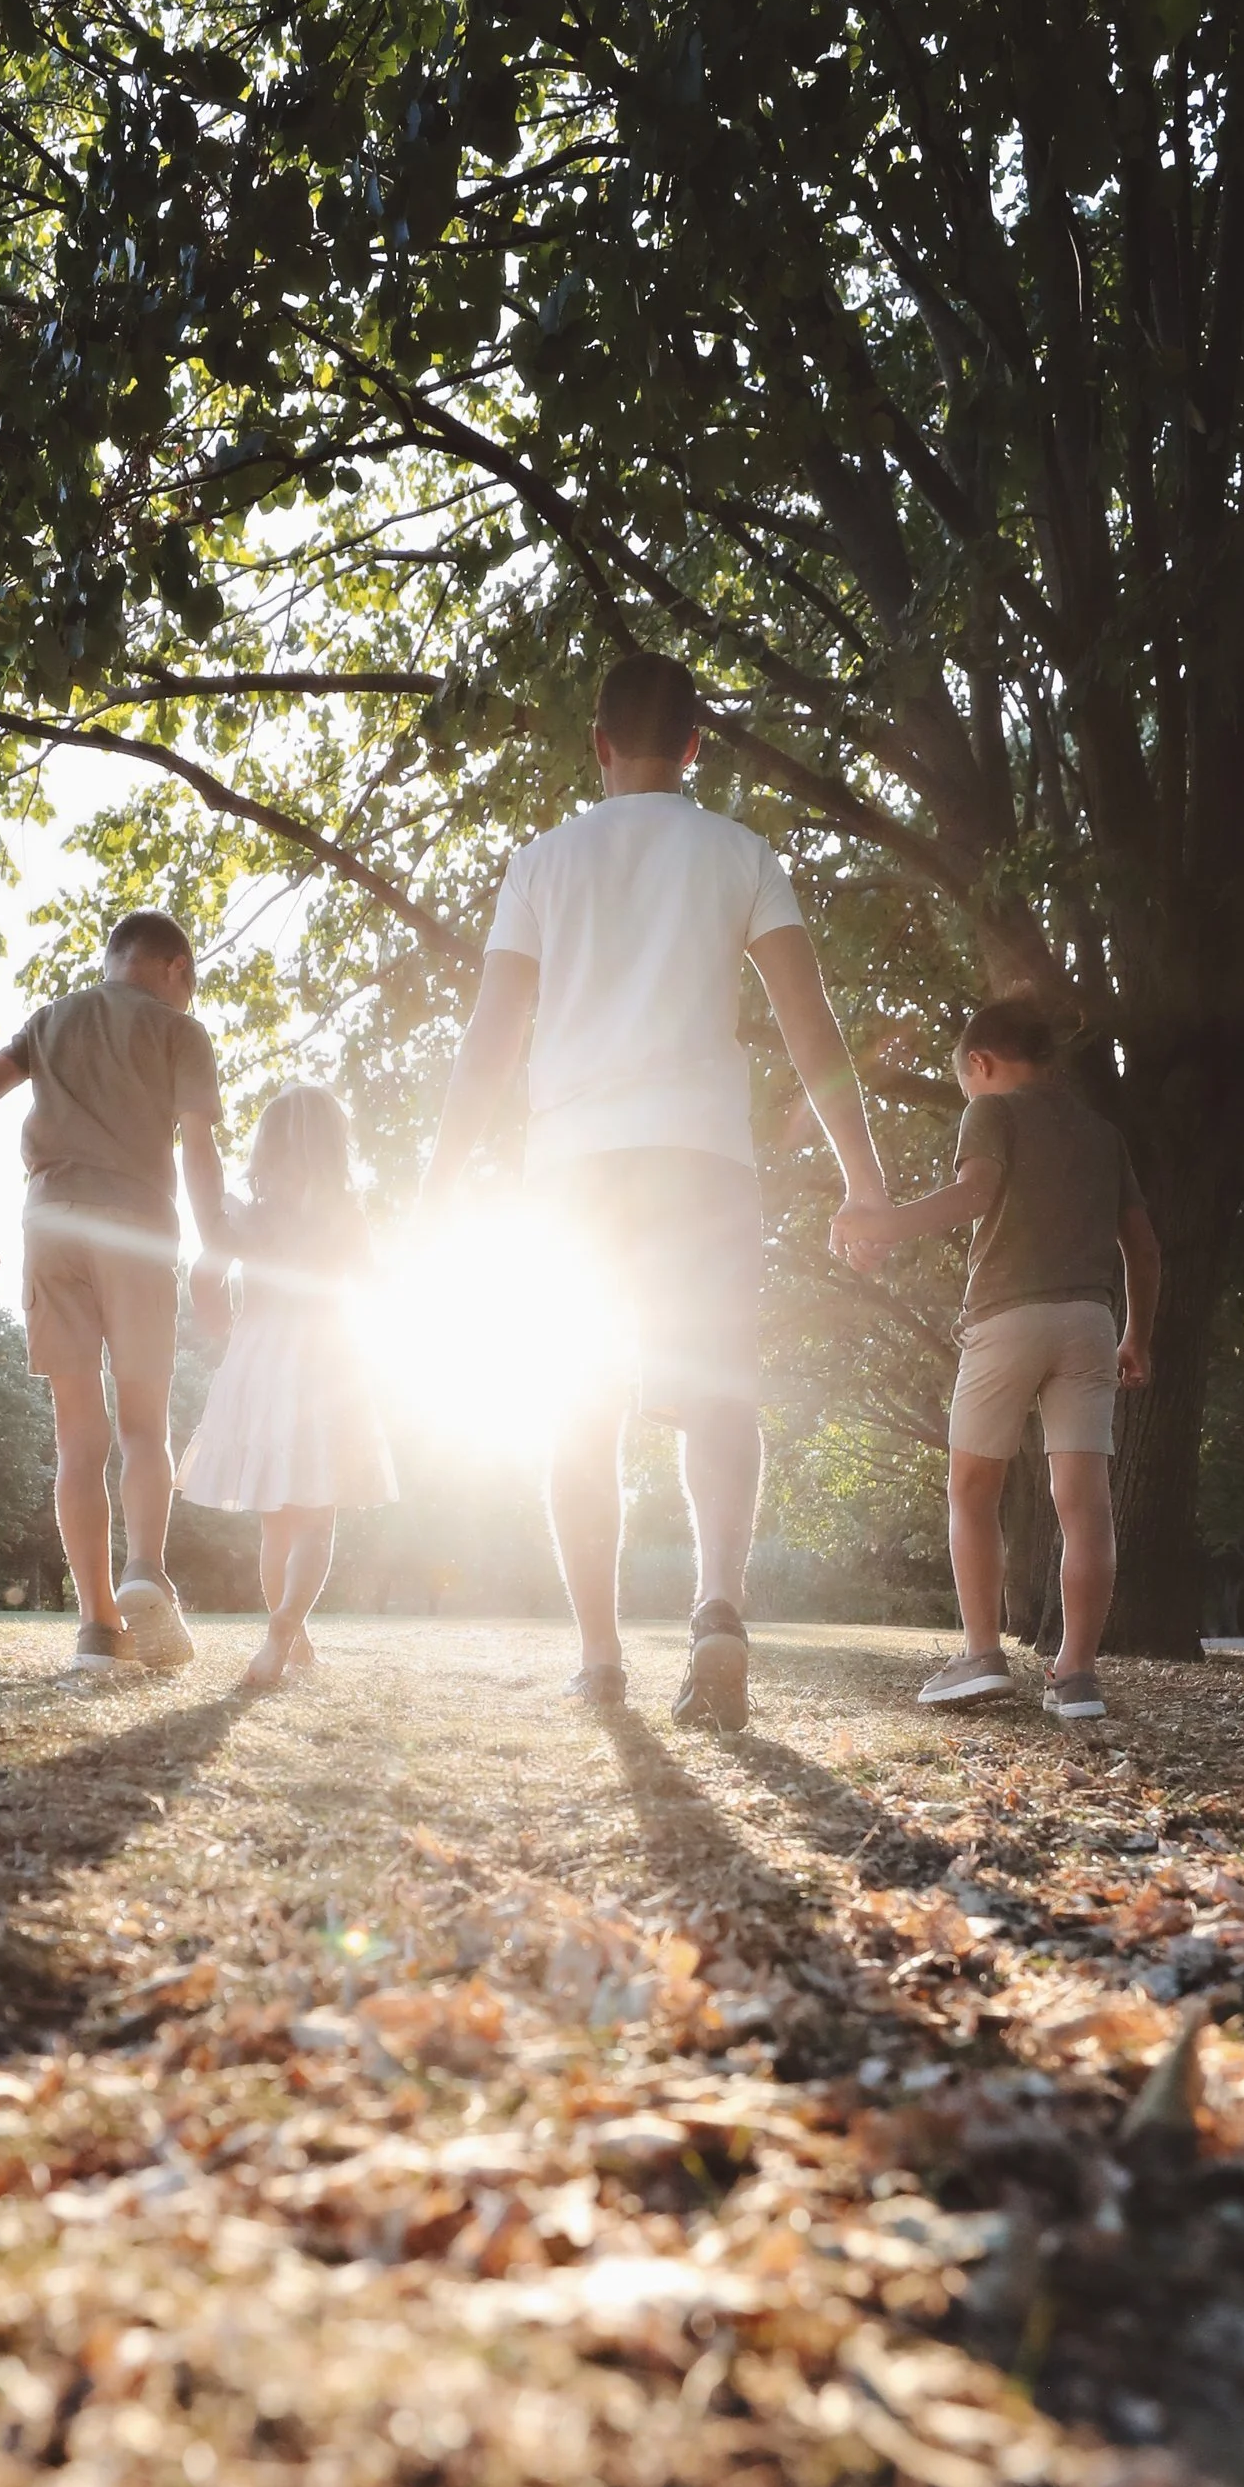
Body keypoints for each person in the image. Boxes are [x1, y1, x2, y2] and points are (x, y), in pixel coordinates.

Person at [422, 649, 885, 1732]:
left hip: (573, 1170)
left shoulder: (540, 862)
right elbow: (810, 1030)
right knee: (717, 1392)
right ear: (693, 746)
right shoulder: (740, 854)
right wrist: (865, 1177)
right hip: (702, 1159)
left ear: (597, 747)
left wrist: (439, 1189)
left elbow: (489, 1042)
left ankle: (598, 1660)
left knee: (578, 1410)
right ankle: (717, 1606)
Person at [847, 996, 1160, 1721]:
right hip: (1089, 1322)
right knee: (1085, 1508)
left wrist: (884, 1225)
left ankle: (983, 1655)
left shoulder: (993, 1111)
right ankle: (1077, 1676)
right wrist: (1137, 1336)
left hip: (1007, 1317)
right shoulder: (1104, 1135)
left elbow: (973, 1192)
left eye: (966, 1082)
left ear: (980, 1064)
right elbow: (1142, 1248)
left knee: (972, 1490)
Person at [0, 911, 226, 1678]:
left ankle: (98, 1632)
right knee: (144, 1425)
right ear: (175, 968)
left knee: (78, 1438)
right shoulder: (181, 1032)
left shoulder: (51, 1019)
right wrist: (215, 1247)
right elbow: (200, 1149)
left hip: (48, 1222)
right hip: (137, 1226)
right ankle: (144, 1567)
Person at [177, 1081, 399, 1690]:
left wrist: (221, 1323)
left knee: (277, 1519)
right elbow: (377, 1284)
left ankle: (288, 1633)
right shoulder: (345, 1216)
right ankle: (285, 1633)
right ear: (335, 1146)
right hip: (326, 1360)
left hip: (262, 1358)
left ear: (266, 1148)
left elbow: (205, 1275)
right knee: (317, 1517)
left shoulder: (250, 1214)